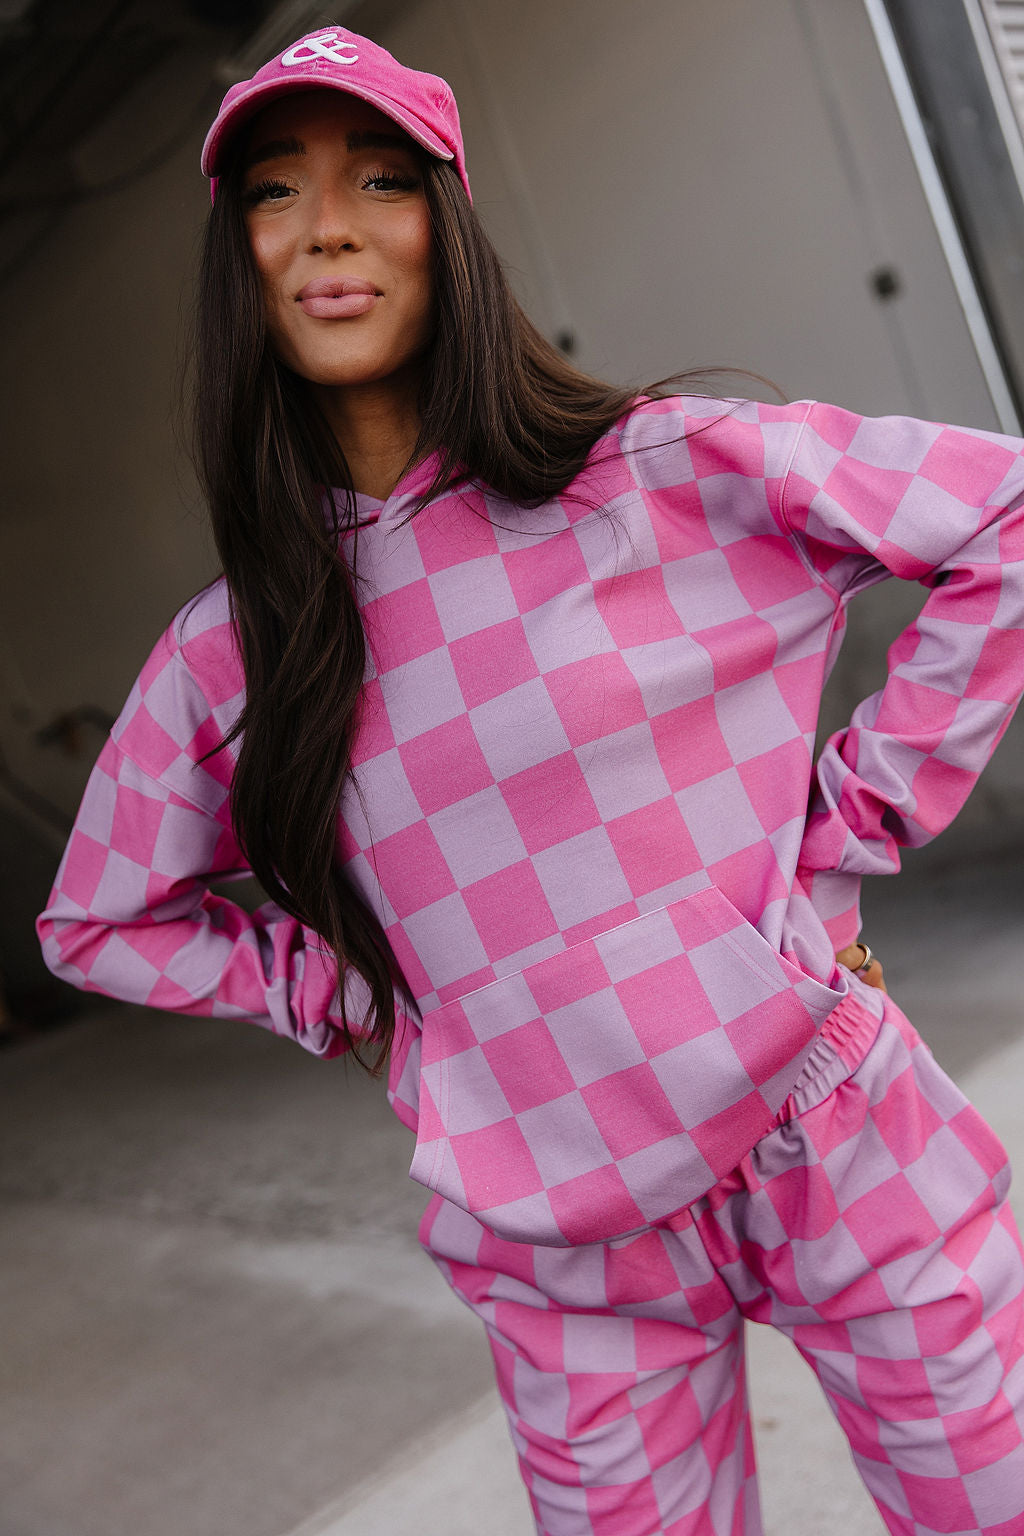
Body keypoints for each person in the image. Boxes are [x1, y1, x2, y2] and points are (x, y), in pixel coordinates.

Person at [37, 25, 1024, 1536]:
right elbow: (98, 920)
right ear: (241, 262)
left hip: (829, 1130)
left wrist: (849, 825)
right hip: (558, 1238)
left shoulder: (661, 473)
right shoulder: (234, 654)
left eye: (381, 179)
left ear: (450, 225)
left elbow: (1000, 515)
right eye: (275, 192)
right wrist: (345, 988)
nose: (328, 228)